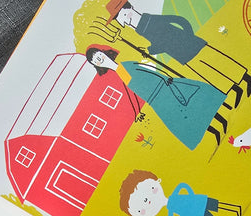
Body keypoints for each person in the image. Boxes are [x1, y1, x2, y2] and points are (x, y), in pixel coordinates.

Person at [105, 0, 251, 107]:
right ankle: (235, 89)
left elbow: (179, 20)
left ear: (128, 11)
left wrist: (188, 37)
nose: (123, 22)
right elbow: (162, 43)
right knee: (210, 75)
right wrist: (150, 50)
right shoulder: (140, 29)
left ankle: (246, 78)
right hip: (181, 54)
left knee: (219, 62)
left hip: (192, 45)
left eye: (121, 17)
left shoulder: (150, 20)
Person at [86, 45, 229, 148]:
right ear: (96, 65)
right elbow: (133, 93)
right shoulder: (120, 74)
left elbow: (148, 71)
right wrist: (137, 112)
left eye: (99, 56)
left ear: (104, 53)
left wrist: (165, 78)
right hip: (156, 100)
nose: (99, 59)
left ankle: (223, 121)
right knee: (181, 121)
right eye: (96, 60)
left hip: (164, 87)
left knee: (191, 103)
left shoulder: (126, 65)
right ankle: (215, 132)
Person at [119, 169, 242, 216]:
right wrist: (183, 215)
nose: (147, 200)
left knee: (217, 205)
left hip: (197, 201)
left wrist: (191, 196)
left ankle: (236, 209)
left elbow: (183, 186)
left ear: (157, 181)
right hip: (194, 213)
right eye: (140, 210)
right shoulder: (171, 209)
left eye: (151, 189)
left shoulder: (174, 197)